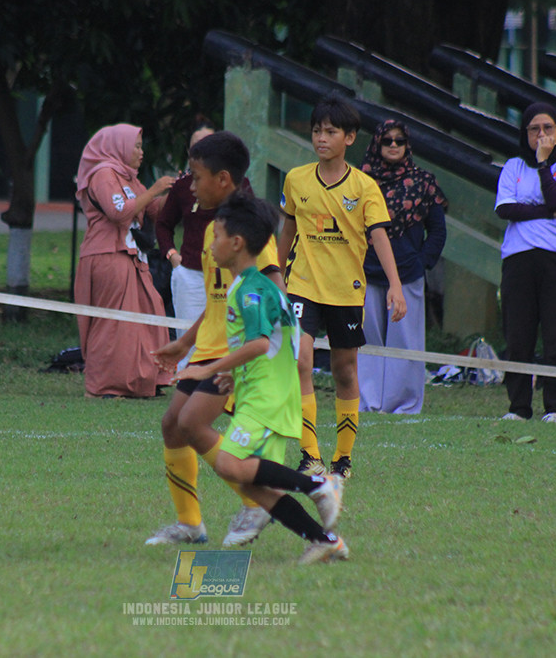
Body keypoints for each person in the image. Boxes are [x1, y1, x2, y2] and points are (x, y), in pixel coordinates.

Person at [177, 191, 348, 565]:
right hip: (264, 388)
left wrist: (208, 367)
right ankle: (325, 540)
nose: (211, 247)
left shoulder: (252, 291)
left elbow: (256, 344)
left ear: (236, 243)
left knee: (228, 464)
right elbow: (275, 343)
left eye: (216, 237)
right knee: (255, 483)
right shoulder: (250, 286)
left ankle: (320, 484)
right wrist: (234, 377)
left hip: (266, 395)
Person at [148, 131, 282, 547]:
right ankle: (191, 524)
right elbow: (217, 299)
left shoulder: (253, 233)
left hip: (234, 351)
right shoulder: (213, 232)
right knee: (173, 424)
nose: (190, 184)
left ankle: (259, 501)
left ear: (223, 180)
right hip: (208, 346)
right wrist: (186, 342)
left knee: (190, 423)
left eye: (196, 175)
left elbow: (273, 288)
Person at [277, 92, 406, 480]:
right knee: (299, 360)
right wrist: (273, 275)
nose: (321, 138)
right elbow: (286, 230)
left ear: (349, 138)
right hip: (301, 286)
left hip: (346, 292)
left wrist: (396, 287)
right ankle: (310, 454)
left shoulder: (365, 187)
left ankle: (343, 459)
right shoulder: (296, 179)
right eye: (317, 130)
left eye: (330, 132)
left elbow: (380, 237)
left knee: (345, 370)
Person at [495, 102, 556, 422]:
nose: (542, 135)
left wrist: (544, 164)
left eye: (548, 128)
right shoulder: (513, 167)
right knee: (518, 334)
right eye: (535, 129)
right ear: (525, 132)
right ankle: (519, 406)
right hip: (518, 258)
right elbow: (506, 209)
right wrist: (550, 213)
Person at [74, 123, 176, 398]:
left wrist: (179, 191)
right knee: (112, 323)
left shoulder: (129, 178)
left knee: (150, 313)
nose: (141, 153)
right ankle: (102, 386)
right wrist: (154, 189)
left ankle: (144, 380)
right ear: (118, 146)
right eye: (137, 146)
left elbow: (152, 209)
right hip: (108, 255)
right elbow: (118, 212)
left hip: (132, 256)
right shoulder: (103, 175)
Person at [358, 120, 448, 414]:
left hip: (408, 273)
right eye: (387, 141)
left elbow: (437, 231)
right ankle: (369, 403)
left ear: (408, 145)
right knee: (367, 340)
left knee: (406, 344)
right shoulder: (360, 182)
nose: (394, 145)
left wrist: (421, 263)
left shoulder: (423, 182)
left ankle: (404, 406)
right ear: (377, 145)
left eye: (399, 141)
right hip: (366, 273)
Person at [156, 118, 217, 339]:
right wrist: (173, 256)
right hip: (191, 274)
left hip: (226, 275)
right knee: (189, 341)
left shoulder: (235, 184)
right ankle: (186, 375)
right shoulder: (183, 187)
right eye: (196, 146)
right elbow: (163, 225)